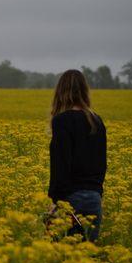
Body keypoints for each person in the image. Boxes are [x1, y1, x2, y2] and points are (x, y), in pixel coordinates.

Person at [46, 69, 107, 243]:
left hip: (69, 200)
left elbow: (61, 166)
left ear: (60, 92)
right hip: (94, 200)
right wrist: (96, 193)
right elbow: (102, 164)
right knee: (86, 259)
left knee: (62, 258)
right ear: (84, 91)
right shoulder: (97, 121)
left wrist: (55, 201)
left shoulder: (62, 121)